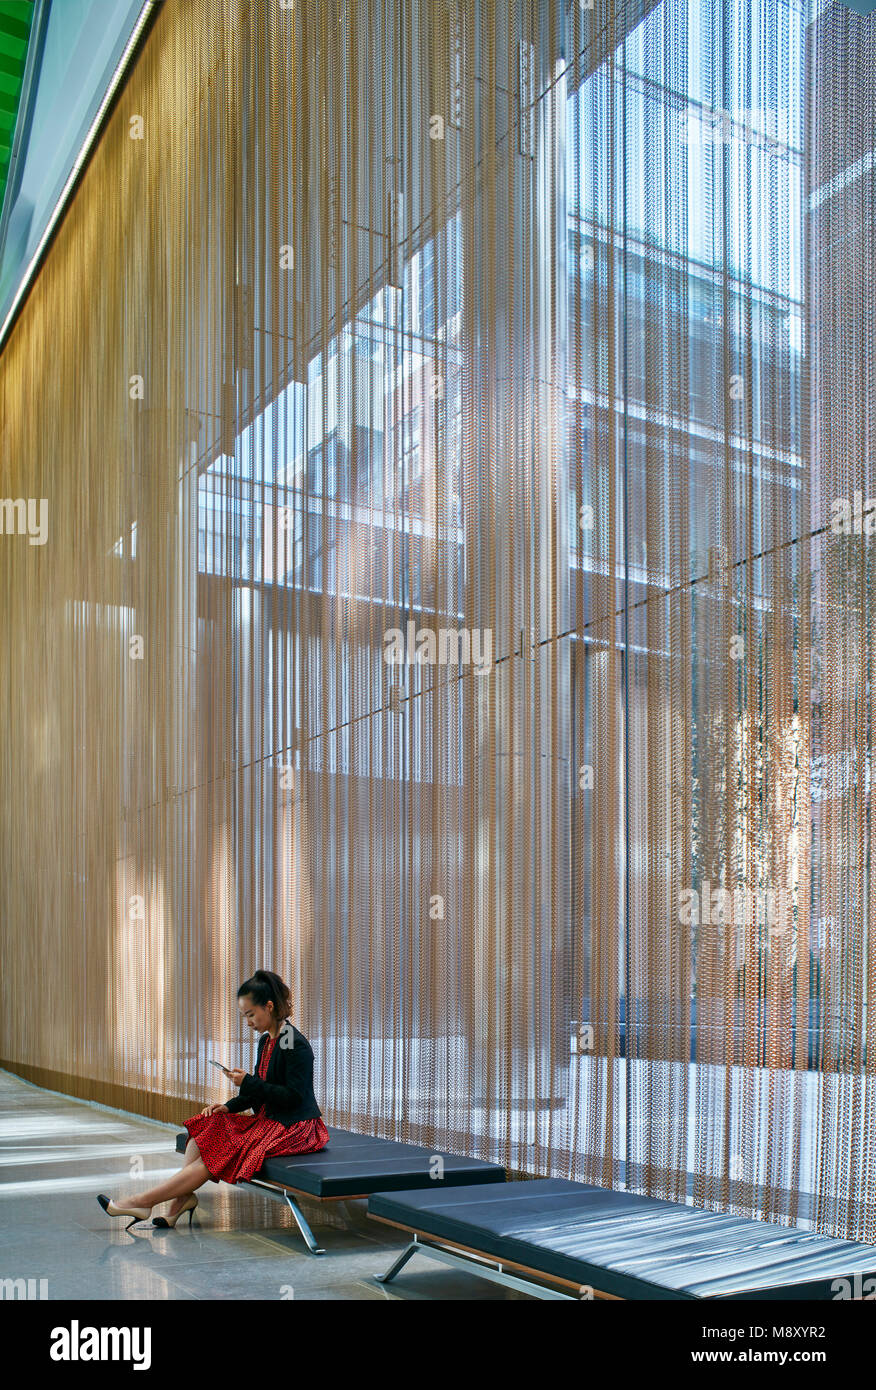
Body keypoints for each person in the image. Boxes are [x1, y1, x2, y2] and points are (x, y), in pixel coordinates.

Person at [97, 969, 328, 1229]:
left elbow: (293, 1097)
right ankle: (180, 1200)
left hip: (295, 1127)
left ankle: (142, 1201)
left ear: (270, 1006)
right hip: (272, 1120)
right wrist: (228, 1106)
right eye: (245, 1016)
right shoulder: (267, 1041)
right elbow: (259, 1091)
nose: (248, 1022)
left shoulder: (292, 1043)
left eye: (251, 1014)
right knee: (205, 1125)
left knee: (220, 1151)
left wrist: (249, 1082)